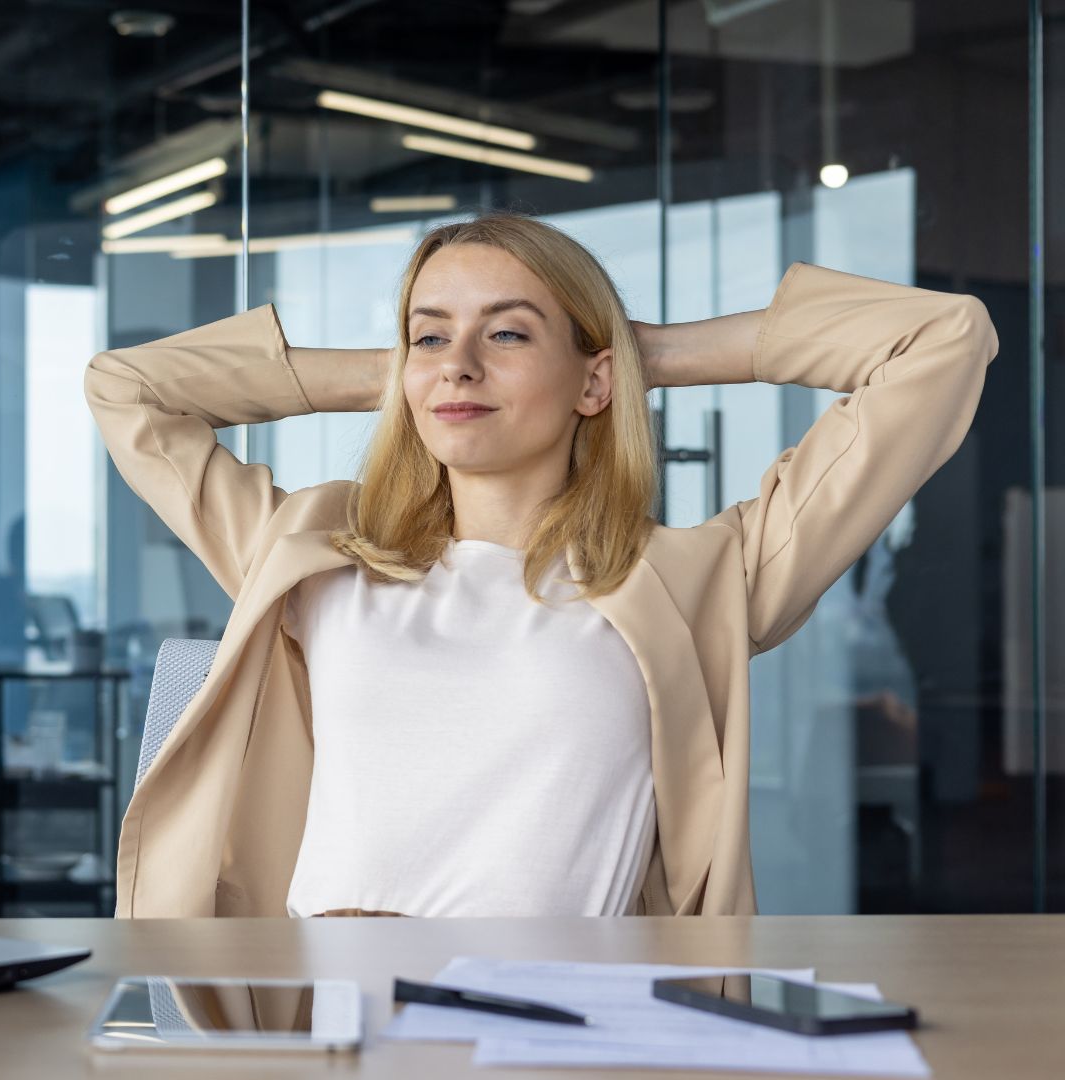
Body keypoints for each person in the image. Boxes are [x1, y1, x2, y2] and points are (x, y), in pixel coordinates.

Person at [85, 210, 998, 918]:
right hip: (339, 1018)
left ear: (594, 382)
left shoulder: (696, 581)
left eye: (509, 334)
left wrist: (643, 357)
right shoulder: (314, 552)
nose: (461, 366)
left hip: (569, 1022)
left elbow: (942, 340)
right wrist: (406, 372)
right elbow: (126, 387)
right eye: (431, 334)